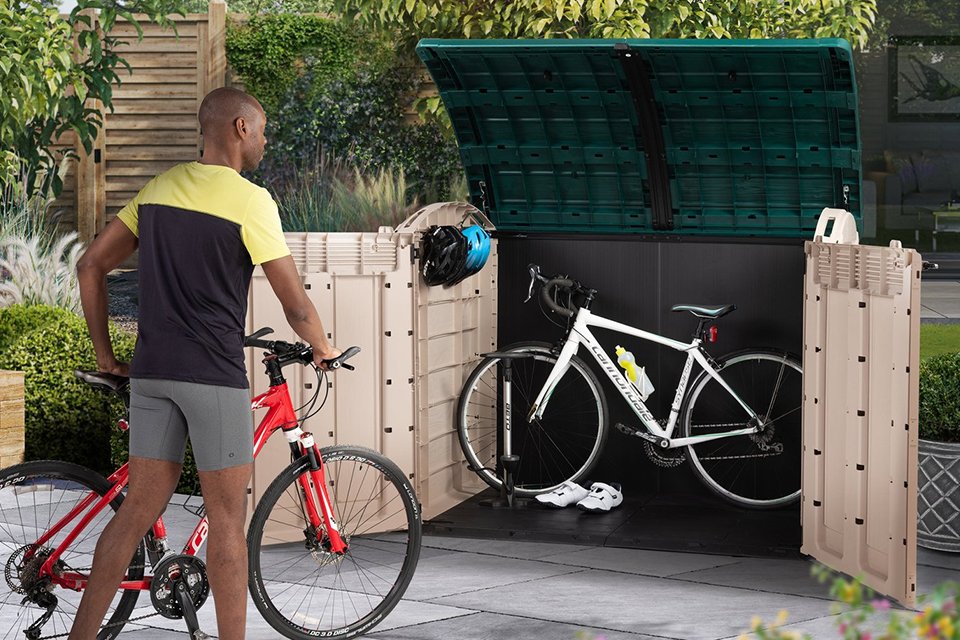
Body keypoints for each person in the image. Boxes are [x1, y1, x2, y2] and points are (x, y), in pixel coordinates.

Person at [70, 87, 339, 640]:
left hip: (152, 372)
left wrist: (107, 356)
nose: (264, 141)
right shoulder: (251, 201)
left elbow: (91, 265)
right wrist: (323, 346)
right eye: (261, 130)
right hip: (212, 376)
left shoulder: (160, 188)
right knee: (226, 522)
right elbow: (294, 304)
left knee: (136, 509)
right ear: (241, 129)